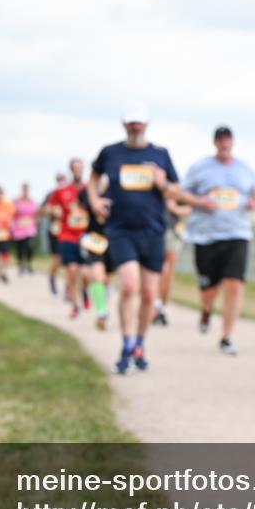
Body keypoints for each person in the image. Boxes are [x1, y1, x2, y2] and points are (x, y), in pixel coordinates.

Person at [86, 102, 181, 375]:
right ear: (124, 124)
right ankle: (126, 343)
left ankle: (140, 342)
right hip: (121, 230)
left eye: (139, 123)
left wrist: (163, 184)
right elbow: (93, 178)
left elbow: (175, 189)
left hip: (152, 231)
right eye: (131, 123)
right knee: (129, 285)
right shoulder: (110, 152)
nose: (135, 127)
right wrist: (95, 200)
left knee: (150, 293)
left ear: (146, 125)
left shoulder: (160, 154)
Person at [178, 126, 255, 355]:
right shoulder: (200, 168)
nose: (224, 146)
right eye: (220, 142)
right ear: (215, 143)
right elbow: (182, 194)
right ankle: (205, 309)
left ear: (232, 143)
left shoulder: (245, 170)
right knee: (208, 288)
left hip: (237, 233)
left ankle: (226, 336)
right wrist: (200, 201)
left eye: (228, 142)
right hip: (205, 236)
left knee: (234, 284)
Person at [49, 159, 89, 318]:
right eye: (75, 168)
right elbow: (51, 206)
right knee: (71, 271)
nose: (78, 170)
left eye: (80, 167)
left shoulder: (89, 189)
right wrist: (55, 211)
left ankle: (85, 291)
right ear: (71, 170)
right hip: (67, 236)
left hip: (86, 237)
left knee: (86, 274)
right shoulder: (62, 191)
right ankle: (74, 305)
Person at [78, 180, 114, 330]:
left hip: (112, 240)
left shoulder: (115, 190)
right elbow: (81, 205)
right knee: (96, 276)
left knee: (106, 279)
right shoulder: (87, 192)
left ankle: (101, 303)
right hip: (94, 240)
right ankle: (102, 313)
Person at [153, 198, 191, 326]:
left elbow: (190, 208)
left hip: (174, 231)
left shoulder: (182, 184)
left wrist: (174, 208)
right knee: (160, 270)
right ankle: (156, 306)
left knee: (167, 270)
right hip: (156, 229)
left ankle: (161, 308)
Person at [40, 172, 67, 295]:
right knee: (57, 259)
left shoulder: (71, 192)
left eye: (63, 179)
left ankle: (69, 289)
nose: (61, 181)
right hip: (55, 230)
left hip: (69, 230)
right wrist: (52, 210)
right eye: (59, 179)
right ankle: (52, 277)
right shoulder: (51, 194)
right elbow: (42, 210)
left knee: (71, 262)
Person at [12, 182, 39, 275]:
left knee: (29, 246)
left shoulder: (32, 201)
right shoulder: (16, 201)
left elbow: (36, 214)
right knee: (20, 247)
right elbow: (12, 212)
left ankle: (28, 263)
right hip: (19, 227)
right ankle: (20, 265)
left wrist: (34, 221)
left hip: (29, 227)